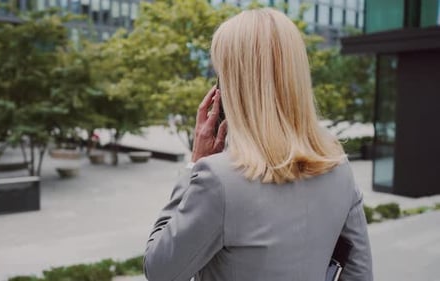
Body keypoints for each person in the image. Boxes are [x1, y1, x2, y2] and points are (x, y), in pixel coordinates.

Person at [144, 8, 372, 281]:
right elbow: (359, 273)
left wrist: (195, 164)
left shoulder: (217, 179)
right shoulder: (338, 168)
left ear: (232, 87)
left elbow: (159, 270)